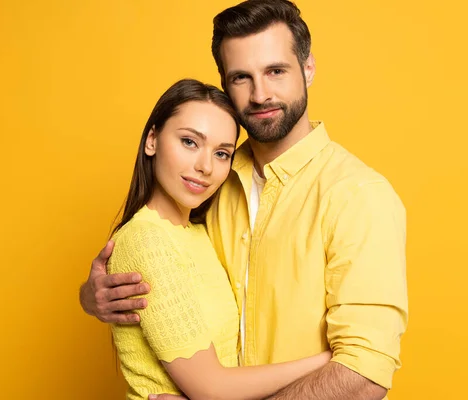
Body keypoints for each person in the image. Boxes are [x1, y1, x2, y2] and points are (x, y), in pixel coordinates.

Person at [81, 1, 408, 399]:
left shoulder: (358, 196)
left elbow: (364, 376)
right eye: (241, 77)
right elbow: (158, 262)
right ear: (225, 84)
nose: (260, 94)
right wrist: (96, 297)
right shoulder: (210, 181)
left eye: (275, 71)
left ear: (308, 69)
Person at [106, 78, 331, 400]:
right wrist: (331, 360)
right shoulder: (146, 240)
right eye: (189, 142)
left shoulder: (201, 233)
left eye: (222, 153)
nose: (205, 167)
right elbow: (212, 388)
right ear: (152, 139)